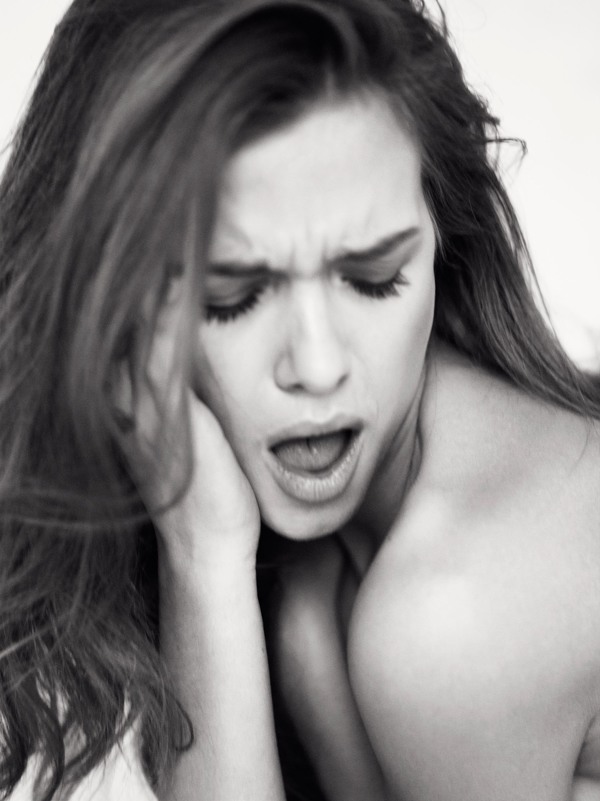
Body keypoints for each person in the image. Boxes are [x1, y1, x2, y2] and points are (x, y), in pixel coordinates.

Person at [1, 0, 600, 799]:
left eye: (373, 278)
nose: (317, 366)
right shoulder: (327, 577)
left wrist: (202, 556)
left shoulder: (455, 606)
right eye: (234, 296)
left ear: (442, 245)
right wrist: (286, 634)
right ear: (115, 313)